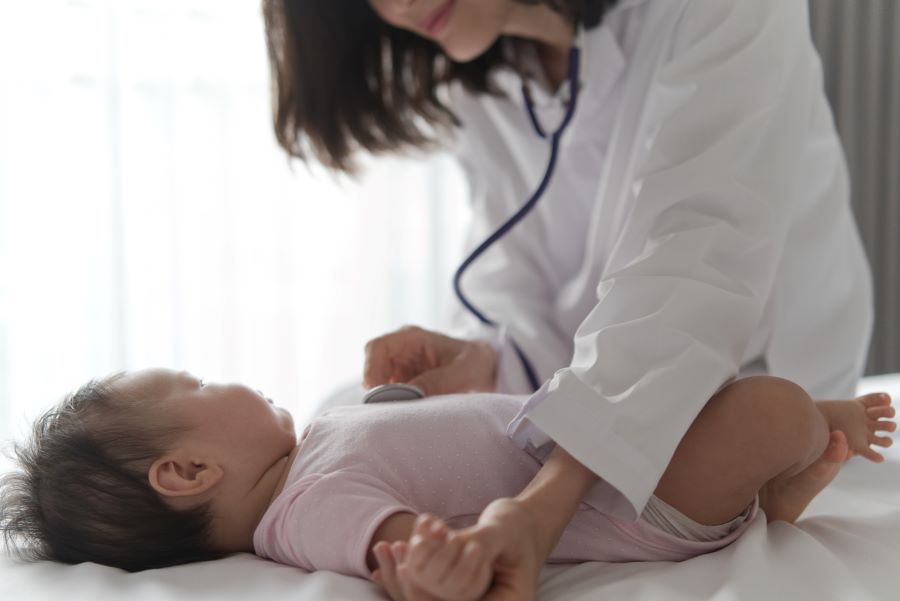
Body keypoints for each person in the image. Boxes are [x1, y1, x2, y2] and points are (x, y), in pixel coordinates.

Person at [262, 0, 874, 594]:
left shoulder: (716, 10)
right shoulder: (486, 71)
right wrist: (486, 360)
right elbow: (526, 287)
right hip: (596, 387)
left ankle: (768, 485)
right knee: (346, 406)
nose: (394, 5)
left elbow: (689, 273)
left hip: (757, 363)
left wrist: (539, 512)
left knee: (760, 420)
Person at [0, 369, 894, 601]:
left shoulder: (312, 444)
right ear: (189, 471)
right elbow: (398, 540)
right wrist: (434, 564)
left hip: (606, 448)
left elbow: (417, 434)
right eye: (195, 385)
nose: (222, 380)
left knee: (687, 379)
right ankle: (790, 453)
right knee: (768, 409)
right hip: (632, 496)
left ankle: (770, 502)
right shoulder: (303, 515)